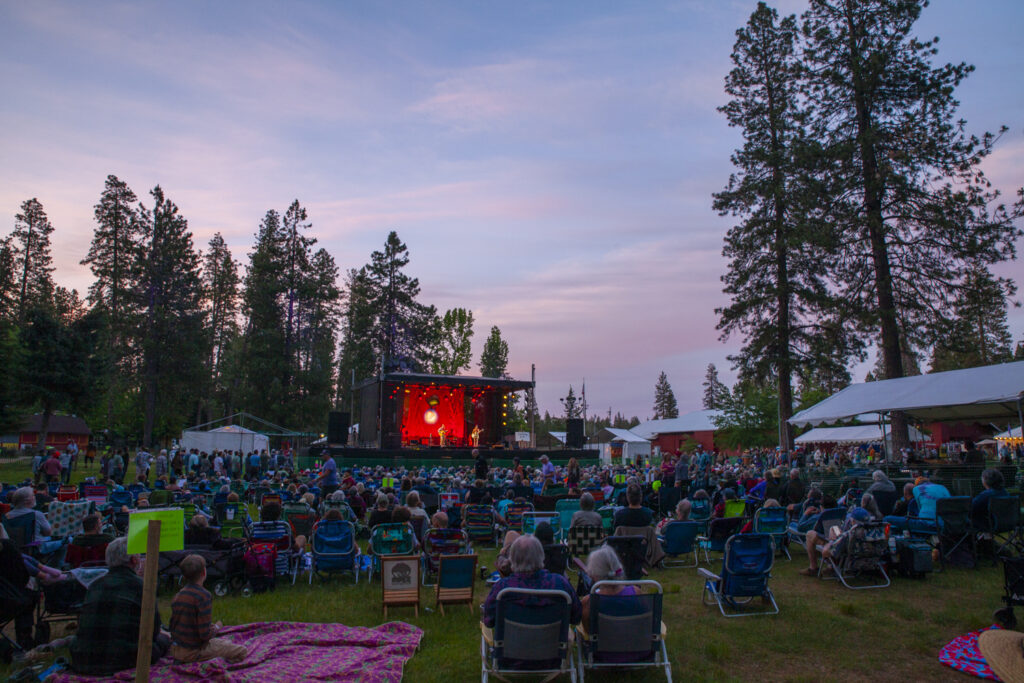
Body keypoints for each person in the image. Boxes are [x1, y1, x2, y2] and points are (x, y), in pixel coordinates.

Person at [70, 537, 171, 675]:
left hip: (83, 657)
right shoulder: (142, 587)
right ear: (134, 560)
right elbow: (152, 632)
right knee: (163, 640)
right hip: (124, 658)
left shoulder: (94, 585)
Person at [482, 535, 581, 628]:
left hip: (513, 644)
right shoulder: (560, 584)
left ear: (512, 560)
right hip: (551, 644)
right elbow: (576, 617)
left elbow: (489, 620)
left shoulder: (503, 589)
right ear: (542, 557)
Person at [169, 554, 248, 664]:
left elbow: (174, 626)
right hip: (193, 651)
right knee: (242, 651)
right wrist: (216, 627)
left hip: (176, 649)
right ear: (203, 573)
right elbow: (204, 635)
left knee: (223, 643)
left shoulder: (178, 595)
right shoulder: (203, 596)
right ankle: (213, 663)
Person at [799, 507, 872, 576]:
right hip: (865, 555)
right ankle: (829, 567)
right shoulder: (872, 531)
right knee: (833, 528)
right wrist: (833, 528)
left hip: (842, 553)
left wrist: (829, 543)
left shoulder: (851, 533)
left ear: (852, 521)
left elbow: (828, 551)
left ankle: (814, 568)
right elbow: (841, 536)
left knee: (810, 534)